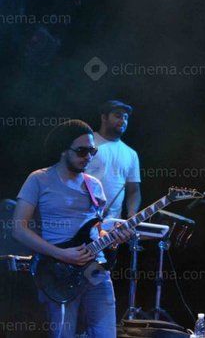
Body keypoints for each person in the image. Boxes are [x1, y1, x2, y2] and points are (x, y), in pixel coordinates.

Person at [12, 120, 133, 337]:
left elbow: (96, 229)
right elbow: (18, 229)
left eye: (92, 151)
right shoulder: (39, 179)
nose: (88, 157)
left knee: (106, 334)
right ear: (63, 149)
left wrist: (114, 238)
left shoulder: (94, 184)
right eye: (82, 151)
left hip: (96, 271)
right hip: (58, 272)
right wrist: (61, 254)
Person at [85, 100, 141, 219]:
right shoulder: (87, 142)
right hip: (82, 218)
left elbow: (134, 191)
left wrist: (132, 213)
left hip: (112, 224)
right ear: (104, 117)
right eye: (118, 116)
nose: (123, 121)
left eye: (125, 118)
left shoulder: (131, 154)